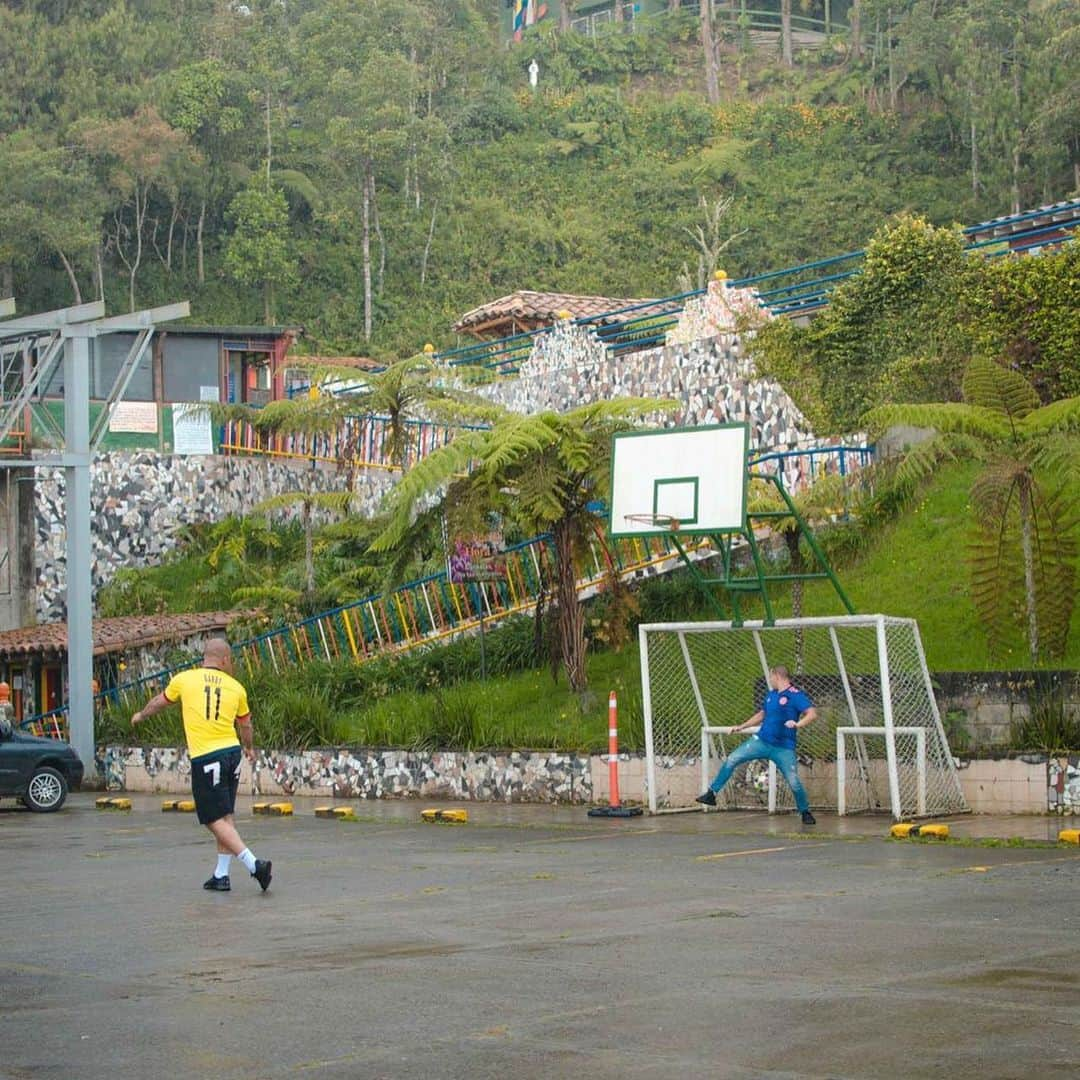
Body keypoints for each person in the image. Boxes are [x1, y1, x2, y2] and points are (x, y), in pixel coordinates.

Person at [132, 639, 272, 893]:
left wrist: (141, 715)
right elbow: (246, 725)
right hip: (231, 753)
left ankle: (254, 865)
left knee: (212, 818)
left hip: (207, 756)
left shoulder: (185, 679)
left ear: (204, 658)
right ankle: (221, 875)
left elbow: (159, 702)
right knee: (225, 815)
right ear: (225, 659)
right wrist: (248, 747)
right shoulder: (236, 688)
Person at [696, 665, 817, 825]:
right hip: (761, 741)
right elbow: (762, 714)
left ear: (777, 676)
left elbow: (812, 713)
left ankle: (805, 812)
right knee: (732, 759)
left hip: (783, 748)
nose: (770, 680)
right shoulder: (772, 695)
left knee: (793, 781)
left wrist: (798, 724)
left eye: (771, 676)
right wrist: (742, 726)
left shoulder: (795, 695)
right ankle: (711, 794)